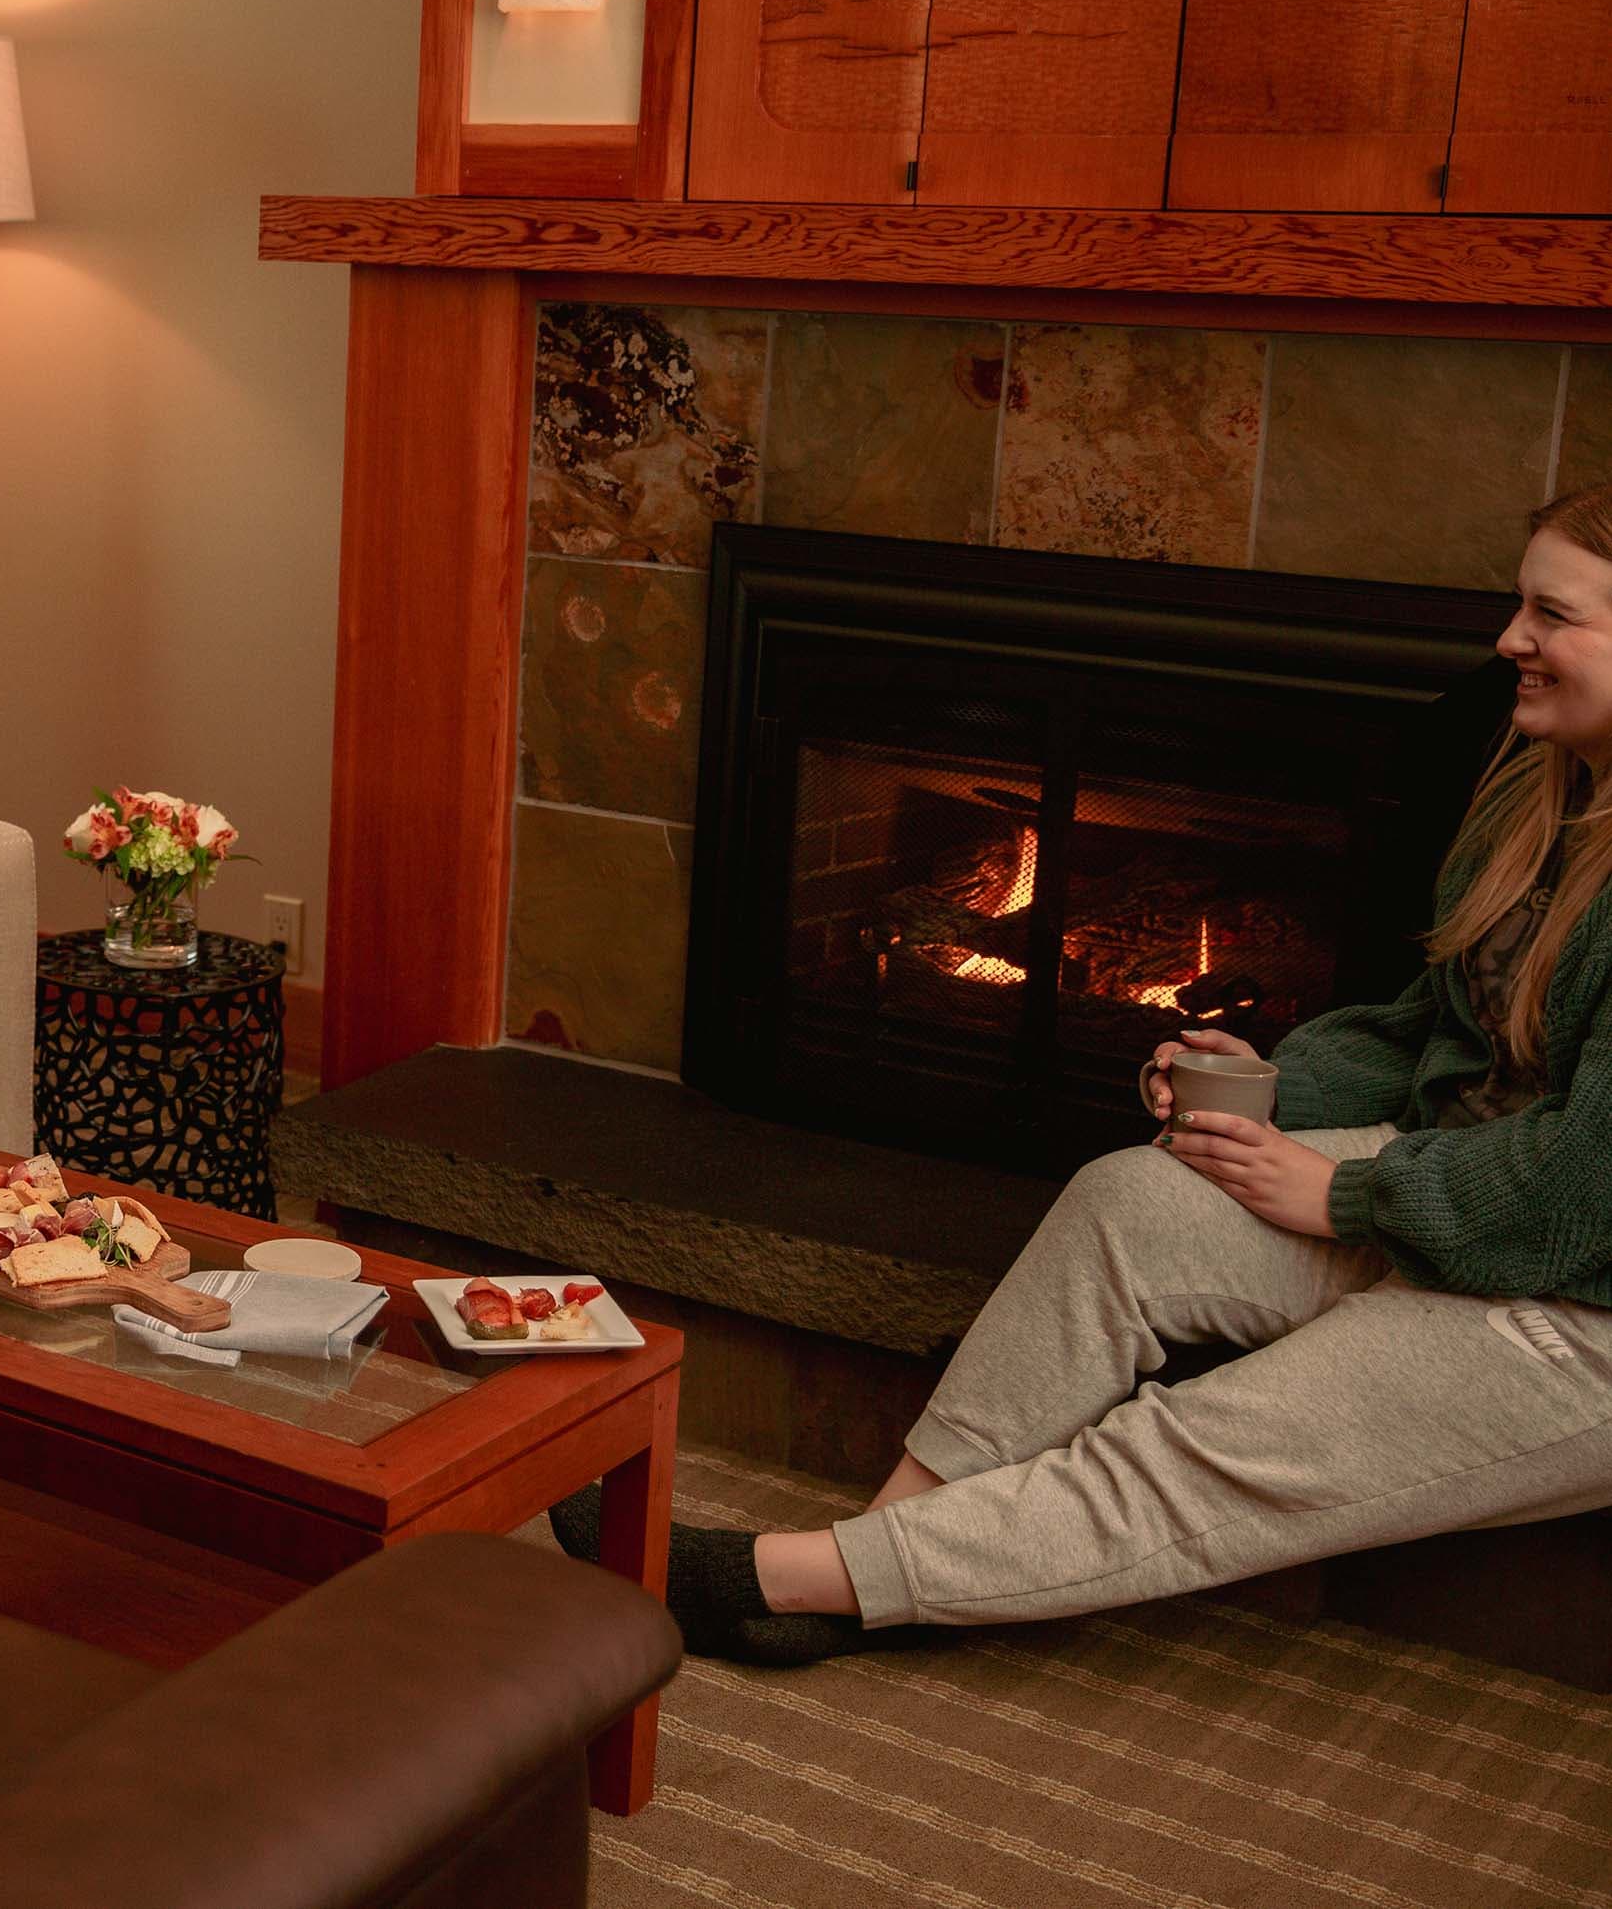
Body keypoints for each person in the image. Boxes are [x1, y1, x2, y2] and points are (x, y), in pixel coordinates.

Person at [557, 482, 1612, 1664]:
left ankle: (786, 1578)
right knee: (1131, 1199)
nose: (1508, 638)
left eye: (1551, 613)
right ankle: (881, 1543)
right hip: (1461, 1187)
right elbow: (1435, 1025)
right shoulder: (1542, 795)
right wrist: (1276, 1084)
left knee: (1222, 1430)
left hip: (1586, 1301)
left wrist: (1344, 1192)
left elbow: (1590, 1184)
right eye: (1518, 603)